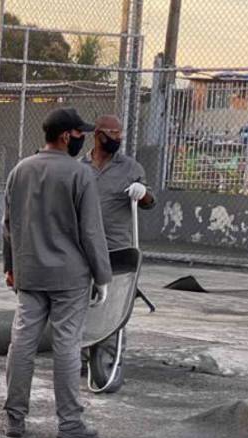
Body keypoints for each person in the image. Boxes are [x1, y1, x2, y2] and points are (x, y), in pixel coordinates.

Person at [2, 108, 111, 438]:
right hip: (69, 276)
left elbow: (8, 226)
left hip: (30, 272)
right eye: (81, 134)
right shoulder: (80, 175)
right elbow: (91, 232)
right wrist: (102, 275)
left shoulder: (20, 170)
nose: (84, 139)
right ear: (67, 136)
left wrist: (10, 267)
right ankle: (69, 424)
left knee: (22, 342)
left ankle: (15, 420)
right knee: (66, 345)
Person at [81, 114, 156, 390]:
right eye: (112, 134)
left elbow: (150, 201)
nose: (118, 139)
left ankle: (109, 361)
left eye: (120, 134)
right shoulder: (80, 167)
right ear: (98, 135)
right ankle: (83, 356)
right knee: (84, 304)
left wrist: (142, 192)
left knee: (113, 306)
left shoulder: (131, 168)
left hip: (116, 248)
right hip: (83, 248)